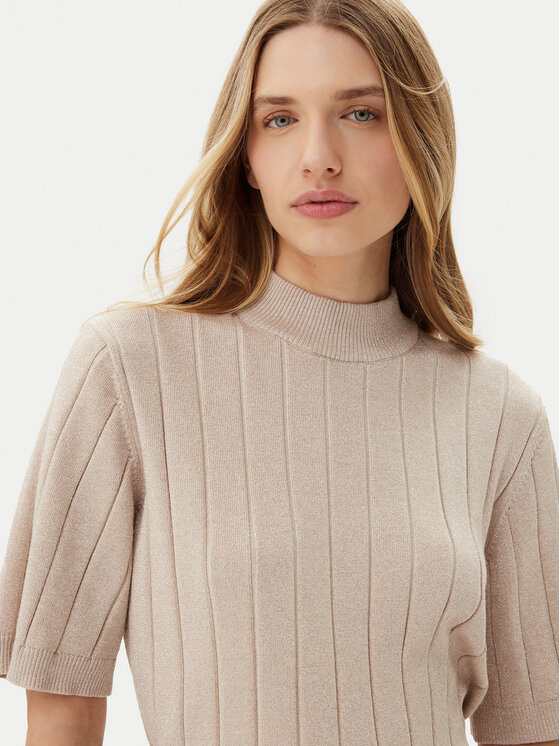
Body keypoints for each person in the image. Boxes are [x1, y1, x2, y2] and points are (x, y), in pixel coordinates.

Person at [0, 0, 558, 744]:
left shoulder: (501, 416)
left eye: (361, 114)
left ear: (422, 141)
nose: (318, 156)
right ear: (247, 158)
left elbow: (533, 727)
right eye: (280, 119)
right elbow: (61, 708)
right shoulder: (129, 367)